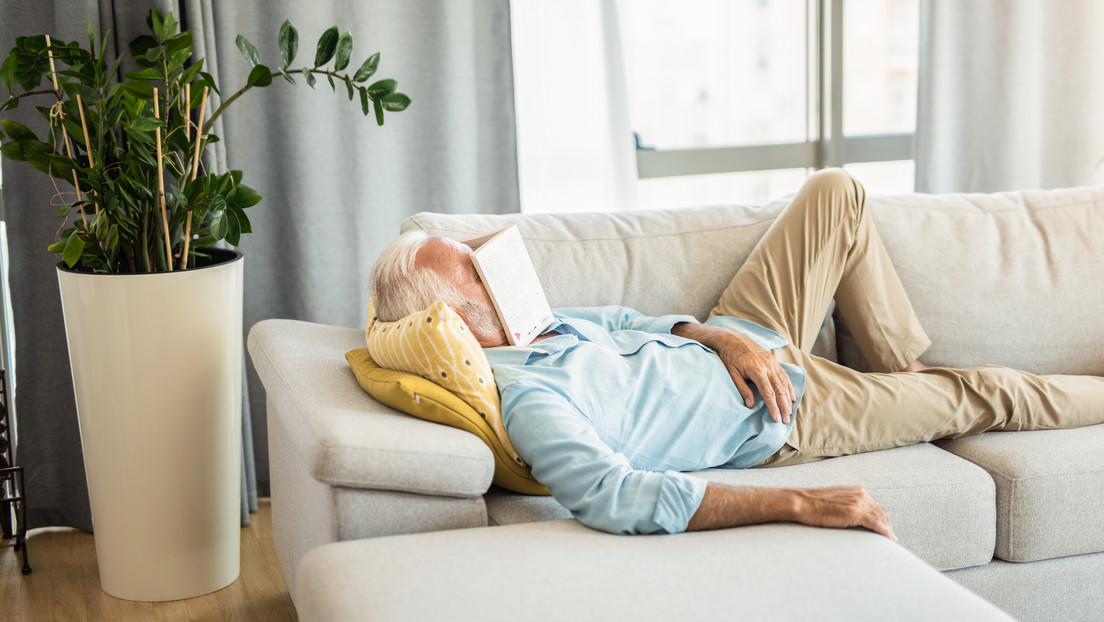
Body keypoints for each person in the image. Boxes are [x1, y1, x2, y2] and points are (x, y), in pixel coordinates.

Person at [369, 169, 1104, 540]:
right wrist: (798, 502)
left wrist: (717, 334)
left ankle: (899, 368)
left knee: (836, 191)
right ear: (449, 314)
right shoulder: (530, 399)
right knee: (988, 391)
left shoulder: (535, 326)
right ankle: (927, 393)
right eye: (468, 261)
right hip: (783, 408)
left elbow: (629, 318)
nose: (486, 257)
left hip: (742, 335)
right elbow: (618, 497)